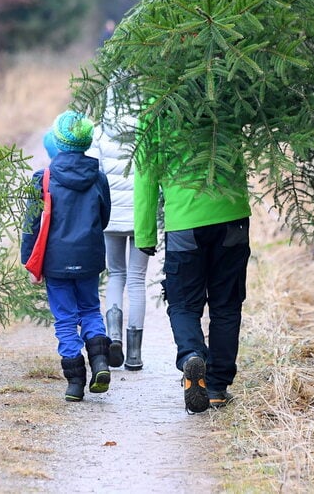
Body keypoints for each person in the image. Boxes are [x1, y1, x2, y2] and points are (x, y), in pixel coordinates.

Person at [133, 128, 251, 413]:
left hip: (184, 221)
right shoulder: (226, 91)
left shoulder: (157, 107)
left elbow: (146, 175)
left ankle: (191, 357)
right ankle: (216, 387)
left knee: (183, 302)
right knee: (227, 304)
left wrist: (145, 235)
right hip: (231, 216)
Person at [21, 111, 112, 402]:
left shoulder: (43, 179)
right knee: (90, 310)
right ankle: (100, 362)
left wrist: (30, 262)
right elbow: (104, 217)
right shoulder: (98, 178)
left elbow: (31, 226)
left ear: (58, 143)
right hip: (89, 258)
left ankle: (75, 382)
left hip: (56, 262)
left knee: (64, 319)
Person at [88, 112, 151, 371]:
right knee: (137, 279)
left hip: (111, 215)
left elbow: (94, 171)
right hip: (141, 215)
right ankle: (134, 355)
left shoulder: (100, 128)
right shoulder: (149, 123)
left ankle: (114, 337)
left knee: (116, 275)